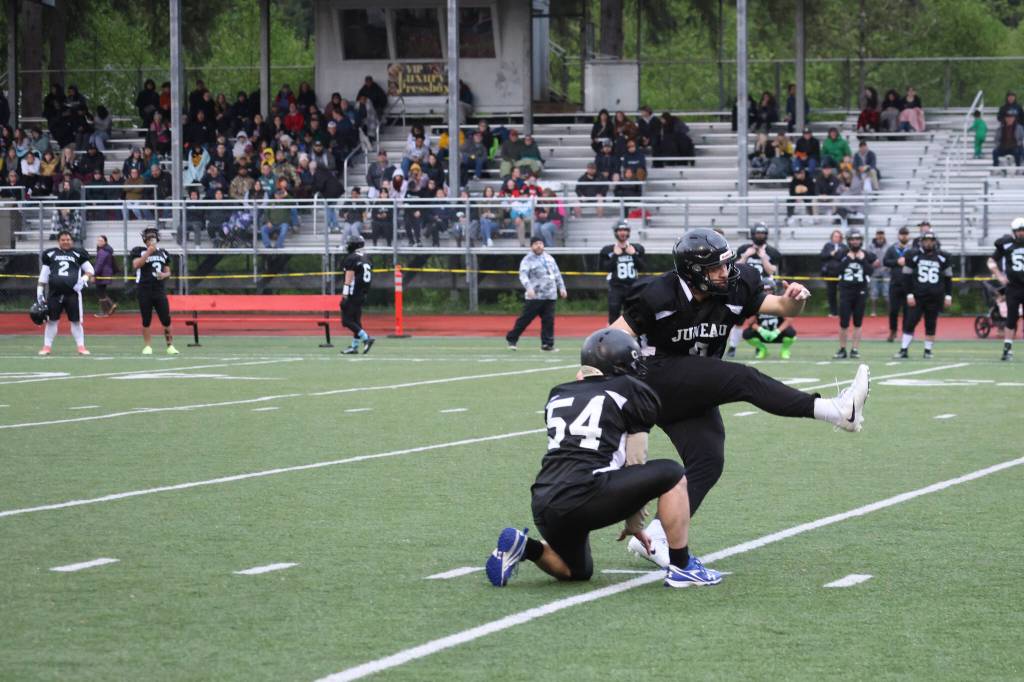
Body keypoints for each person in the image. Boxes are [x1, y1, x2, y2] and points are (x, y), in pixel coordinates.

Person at [604, 229, 869, 546]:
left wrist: (794, 300)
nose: (724, 273)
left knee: (708, 461)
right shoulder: (658, 294)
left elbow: (782, 309)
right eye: (715, 268)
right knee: (744, 378)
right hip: (655, 377)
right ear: (693, 272)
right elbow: (611, 339)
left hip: (694, 386)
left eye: (726, 264)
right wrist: (591, 372)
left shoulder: (737, 284)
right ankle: (836, 411)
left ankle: (656, 537)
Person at [485, 328, 722, 589]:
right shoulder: (630, 390)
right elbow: (636, 459)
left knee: (576, 571)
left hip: (544, 501)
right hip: (588, 493)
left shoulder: (558, 393)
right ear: (620, 365)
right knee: (672, 473)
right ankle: (682, 566)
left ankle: (525, 547)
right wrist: (634, 522)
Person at [894, 230, 953, 359]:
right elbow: (906, 277)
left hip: (935, 297)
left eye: (931, 241)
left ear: (935, 242)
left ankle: (928, 350)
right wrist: (909, 294)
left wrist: (948, 295)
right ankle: (904, 349)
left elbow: (948, 278)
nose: (928, 243)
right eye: (926, 241)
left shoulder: (944, 257)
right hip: (917, 296)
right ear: (921, 242)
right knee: (910, 322)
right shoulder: (912, 255)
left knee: (931, 324)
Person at [726, 222, 783, 356]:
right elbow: (734, 269)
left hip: (764, 290)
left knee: (760, 320)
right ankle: (732, 348)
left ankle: (760, 347)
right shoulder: (743, 249)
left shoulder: (772, 252)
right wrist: (745, 256)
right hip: (744, 288)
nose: (760, 236)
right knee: (738, 320)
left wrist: (763, 257)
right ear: (752, 234)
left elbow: (771, 270)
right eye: (758, 233)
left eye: (763, 233)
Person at [37, 230, 94, 355]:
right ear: (59, 241)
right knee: (52, 321)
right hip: (54, 293)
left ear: (71, 241)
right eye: (63, 240)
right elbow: (44, 275)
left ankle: (81, 347)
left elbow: (90, 270)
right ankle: (47, 347)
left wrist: (83, 280)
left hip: (72, 294)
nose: (65, 242)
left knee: (76, 321)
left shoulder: (78, 254)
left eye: (68, 239)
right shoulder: (50, 254)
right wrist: (39, 292)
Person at [506, 237, 567, 351]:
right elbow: (523, 275)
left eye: (540, 243)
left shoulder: (549, 258)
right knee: (525, 319)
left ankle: (547, 344)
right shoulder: (527, 260)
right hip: (535, 296)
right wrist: (529, 288)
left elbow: (557, 274)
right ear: (531, 246)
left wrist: (562, 288)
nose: (539, 246)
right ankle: (512, 338)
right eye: (536, 244)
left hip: (550, 295)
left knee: (548, 321)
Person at [130, 227, 178, 355]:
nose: (152, 240)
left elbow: (168, 272)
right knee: (146, 320)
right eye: (149, 238)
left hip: (159, 290)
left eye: (153, 237)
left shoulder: (163, 253)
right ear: (145, 240)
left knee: (166, 319)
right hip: (144, 289)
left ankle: (170, 346)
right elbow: (136, 265)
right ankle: (147, 346)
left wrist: (164, 275)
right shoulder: (139, 251)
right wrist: (148, 253)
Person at [833, 229, 878, 359]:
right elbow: (835, 270)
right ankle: (842, 349)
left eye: (857, 239)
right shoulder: (842, 254)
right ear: (848, 241)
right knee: (844, 322)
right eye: (852, 239)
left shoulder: (867, 255)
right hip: (846, 291)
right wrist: (847, 259)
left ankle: (855, 349)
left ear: (861, 241)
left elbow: (870, 271)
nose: (855, 241)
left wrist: (862, 261)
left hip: (860, 291)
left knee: (858, 322)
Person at [991, 217, 1024, 361]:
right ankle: (1007, 349)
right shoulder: (1006, 244)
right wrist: (999, 275)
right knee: (1011, 318)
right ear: (1014, 232)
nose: (1022, 233)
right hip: (1014, 287)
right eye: (1019, 231)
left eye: (1023, 230)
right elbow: (991, 261)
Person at [600, 221, 645, 324]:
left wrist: (633, 255)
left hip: (633, 287)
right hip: (616, 287)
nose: (623, 233)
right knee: (614, 314)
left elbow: (642, 267)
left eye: (625, 230)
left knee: (633, 315)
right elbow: (605, 268)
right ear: (616, 232)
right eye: (620, 230)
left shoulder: (637, 248)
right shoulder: (607, 250)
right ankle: (613, 338)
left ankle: (631, 338)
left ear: (628, 232)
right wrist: (615, 256)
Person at [742, 278, 797, 360]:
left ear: (774, 290)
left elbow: (789, 320)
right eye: (765, 290)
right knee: (747, 333)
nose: (767, 292)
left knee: (791, 332)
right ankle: (762, 349)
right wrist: (761, 330)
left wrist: (777, 331)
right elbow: (750, 323)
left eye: (769, 290)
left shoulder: (779, 302)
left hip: (778, 333)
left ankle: (784, 350)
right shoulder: (756, 303)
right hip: (763, 334)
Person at [339, 236, 375, 355]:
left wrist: (345, 294)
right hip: (362, 292)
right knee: (356, 321)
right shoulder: (367, 257)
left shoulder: (351, 258)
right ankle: (354, 347)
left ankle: (366, 338)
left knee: (346, 320)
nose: (347, 245)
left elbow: (348, 278)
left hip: (353, 293)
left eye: (349, 243)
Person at [882, 226, 913, 342]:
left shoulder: (912, 249)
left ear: (908, 236)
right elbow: (885, 261)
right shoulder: (892, 249)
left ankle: (906, 332)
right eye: (902, 234)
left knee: (907, 311)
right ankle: (893, 331)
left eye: (906, 234)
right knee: (893, 310)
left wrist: (907, 261)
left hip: (908, 284)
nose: (904, 236)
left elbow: (917, 261)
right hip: (895, 284)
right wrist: (896, 262)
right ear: (898, 235)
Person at [820, 230, 846, 316]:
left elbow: (845, 258)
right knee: (831, 293)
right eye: (835, 236)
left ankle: (843, 311)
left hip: (841, 273)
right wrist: (831, 254)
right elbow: (822, 256)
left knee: (843, 293)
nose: (836, 238)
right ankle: (833, 311)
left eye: (838, 236)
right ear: (832, 237)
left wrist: (837, 256)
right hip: (830, 273)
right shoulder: (827, 246)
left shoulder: (844, 246)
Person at [93, 235, 118, 318]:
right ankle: (111, 306)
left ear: (105, 242)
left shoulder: (103, 251)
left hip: (102, 275)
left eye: (101, 241)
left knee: (100, 293)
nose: (99, 242)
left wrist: (94, 274)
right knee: (102, 292)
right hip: (105, 274)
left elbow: (99, 264)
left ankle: (105, 311)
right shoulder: (106, 250)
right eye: (98, 240)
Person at [868, 229, 889, 316]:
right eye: (878, 234)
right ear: (876, 235)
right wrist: (872, 263)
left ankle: (889, 312)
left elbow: (891, 257)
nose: (880, 236)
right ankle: (873, 311)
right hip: (874, 271)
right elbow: (867, 257)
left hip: (886, 271)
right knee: (874, 291)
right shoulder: (870, 246)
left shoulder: (888, 246)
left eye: (882, 234)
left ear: (884, 235)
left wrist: (887, 267)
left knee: (887, 292)